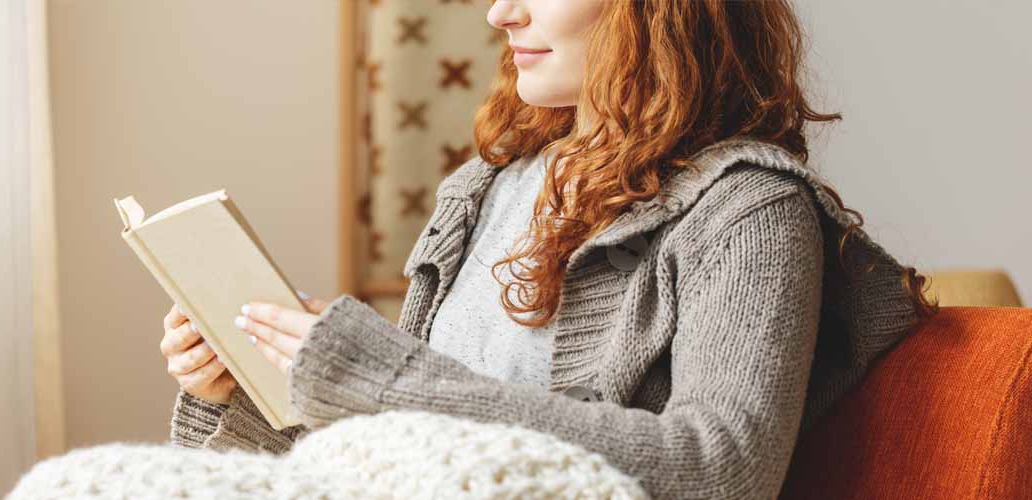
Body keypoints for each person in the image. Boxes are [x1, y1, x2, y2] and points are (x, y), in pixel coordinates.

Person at [159, 1, 939, 498]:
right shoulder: (484, 187)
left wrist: (383, 377)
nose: (501, 12)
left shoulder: (746, 210)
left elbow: (721, 468)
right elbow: (404, 450)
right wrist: (245, 389)